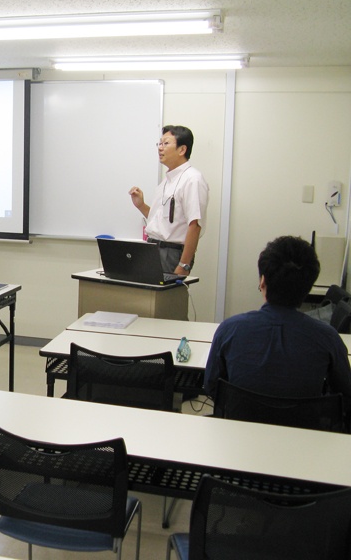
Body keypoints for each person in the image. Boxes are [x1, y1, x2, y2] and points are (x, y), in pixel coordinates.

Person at [204, 235, 351, 401]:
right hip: (303, 425)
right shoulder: (328, 338)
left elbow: (211, 387)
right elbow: (344, 395)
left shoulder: (229, 330)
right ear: (308, 287)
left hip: (240, 423)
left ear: (262, 281)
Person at [128, 125, 209, 276]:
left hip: (171, 254)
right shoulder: (166, 181)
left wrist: (184, 265)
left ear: (182, 150)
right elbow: (161, 221)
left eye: (166, 143)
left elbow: (195, 225)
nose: (160, 148)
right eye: (159, 143)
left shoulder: (193, 179)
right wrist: (141, 205)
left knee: (164, 299)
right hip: (152, 250)